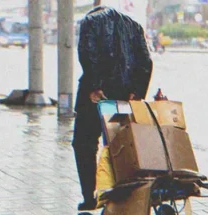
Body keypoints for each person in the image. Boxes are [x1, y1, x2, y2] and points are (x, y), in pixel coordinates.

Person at [72, 6, 153, 211]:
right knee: (121, 145)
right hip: (124, 96)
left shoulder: (89, 22)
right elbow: (146, 61)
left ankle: (90, 196)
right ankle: (121, 193)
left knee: (84, 143)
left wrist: (95, 86)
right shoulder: (134, 26)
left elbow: (87, 54)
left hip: (96, 97)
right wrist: (136, 91)